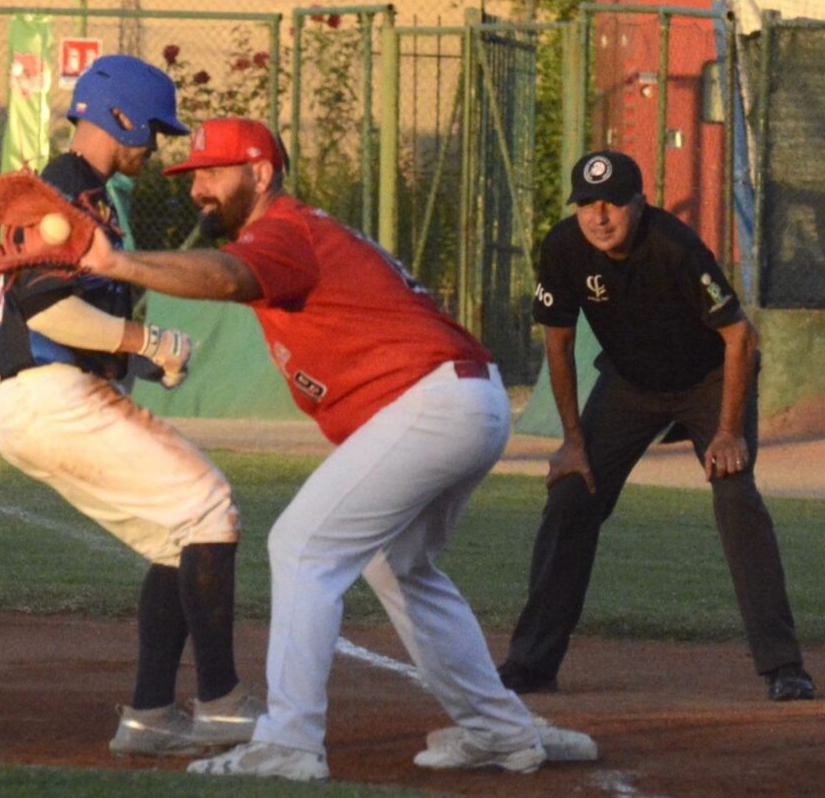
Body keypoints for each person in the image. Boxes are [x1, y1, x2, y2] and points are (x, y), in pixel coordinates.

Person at [79, 117, 546, 782]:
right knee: (398, 565)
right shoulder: (292, 231)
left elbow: (225, 278)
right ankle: (498, 729)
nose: (198, 189)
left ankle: (291, 743)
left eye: (213, 173)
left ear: (261, 174)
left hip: (436, 402)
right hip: (463, 400)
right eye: (191, 177)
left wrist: (120, 263)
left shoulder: (283, 231)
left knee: (302, 547)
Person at [0, 56, 263, 758]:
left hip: (46, 397)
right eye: (154, 129)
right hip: (49, 396)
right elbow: (44, 311)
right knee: (209, 506)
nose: (157, 146)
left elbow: (69, 316)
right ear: (122, 116)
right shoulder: (67, 191)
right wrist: (144, 336)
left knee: (180, 533)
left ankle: (150, 715)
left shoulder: (86, 193)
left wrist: (134, 355)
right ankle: (223, 704)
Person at [497, 150, 815, 702]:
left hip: (707, 380)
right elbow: (559, 339)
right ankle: (532, 664)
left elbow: (740, 338)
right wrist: (572, 443)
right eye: (587, 204)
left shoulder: (676, 247)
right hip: (630, 384)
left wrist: (728, 432)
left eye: (613, 203)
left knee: (734, 496)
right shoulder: (564, 248)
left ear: (639, 204)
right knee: (573, 493)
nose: (599, 216)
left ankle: (784, 665)